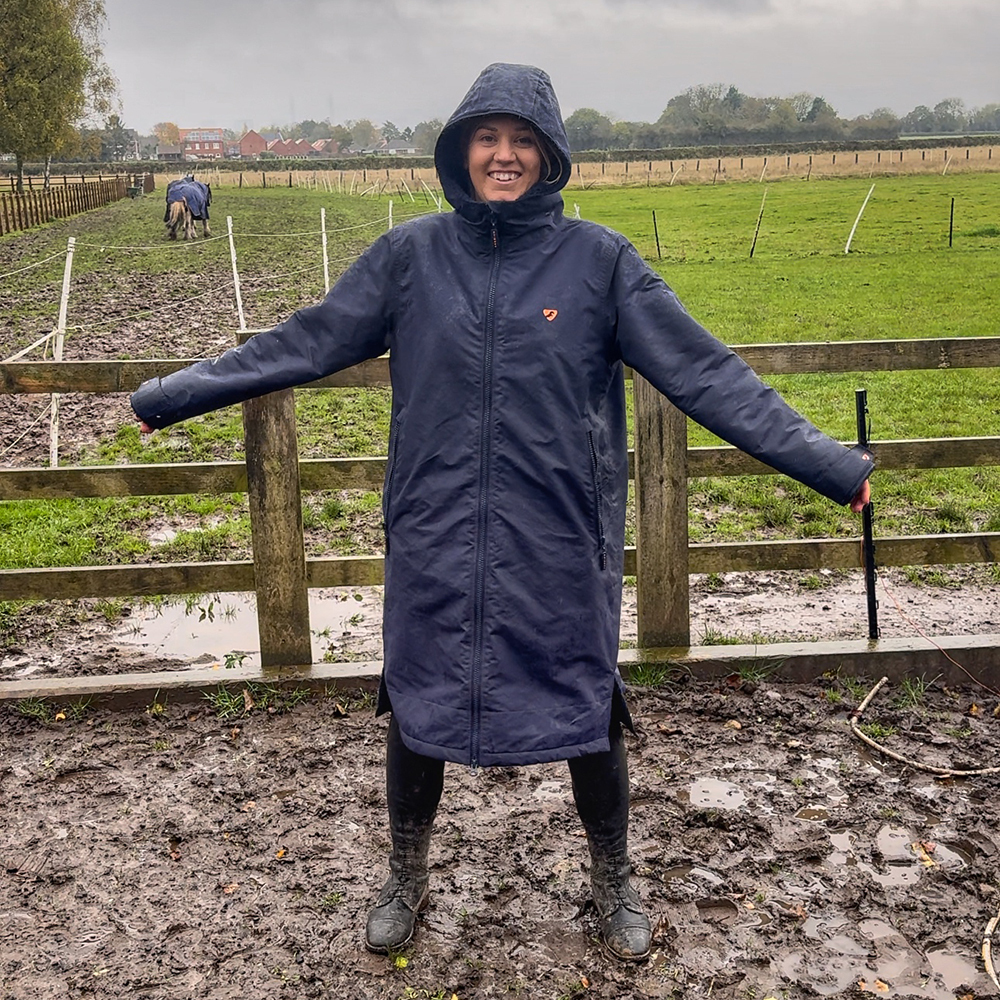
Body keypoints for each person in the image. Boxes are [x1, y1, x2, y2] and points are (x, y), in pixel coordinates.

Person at [131, 63, 873, 962]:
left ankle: (612, 880)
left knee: (587, 705)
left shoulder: (599, 264)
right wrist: (169, 394)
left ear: (551, 156)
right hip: (437, 532)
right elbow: (307, 339)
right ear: (461, 150)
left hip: (558, 538)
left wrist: (826, 463)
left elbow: (706, 371)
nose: (505, 156)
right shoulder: (411, 258)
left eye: (523, 141)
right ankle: (406, 873)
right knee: (416, 704)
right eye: (488, 138)